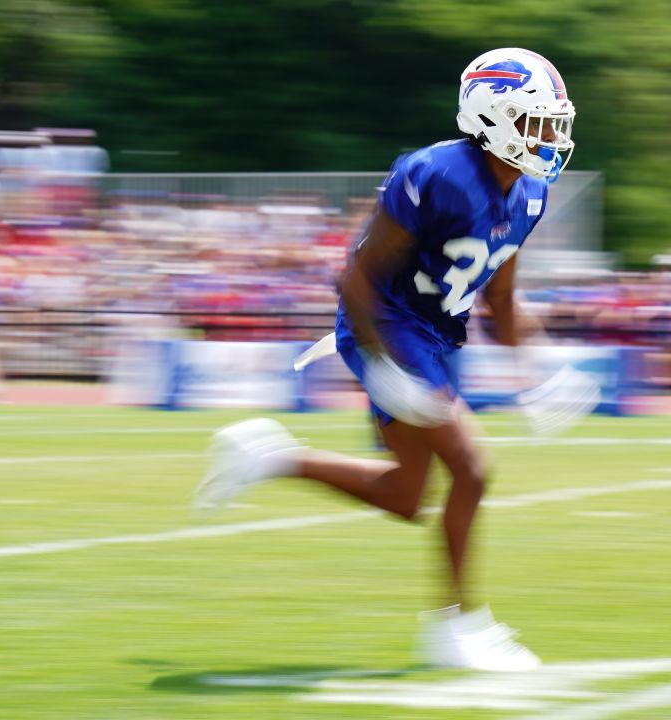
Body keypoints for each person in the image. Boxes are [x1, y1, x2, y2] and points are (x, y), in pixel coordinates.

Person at [194, 48, 579, 672]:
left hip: (437, 337)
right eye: (536, 121)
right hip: (390, 325)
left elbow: (500, 295)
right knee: (474, 470)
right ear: (492, 116)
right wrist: (383, 363)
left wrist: (539, 369)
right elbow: (357, 280)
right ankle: (457, 628)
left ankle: (273, 456)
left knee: (406, 496)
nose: (550, 137)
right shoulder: (439, 174)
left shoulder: (528, 194)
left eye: (553, 123)